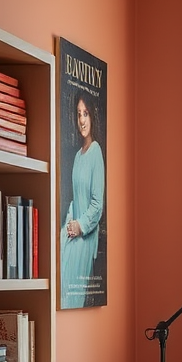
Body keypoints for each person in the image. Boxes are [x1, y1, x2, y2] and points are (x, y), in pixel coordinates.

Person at [60, 93, 105, 308]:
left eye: (85, 113)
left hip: (86, 233)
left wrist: (80, 226)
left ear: (92, 116)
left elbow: (97, 205)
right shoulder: (78, 155)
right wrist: (69, 225)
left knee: (70, 293)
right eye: (79, 114)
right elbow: (74, 199)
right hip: (73, 226)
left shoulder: (96, 152)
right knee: (59, 249)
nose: (82, 120)